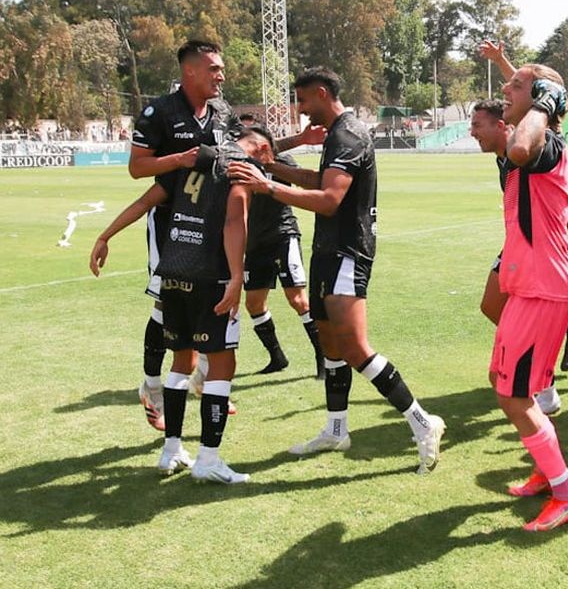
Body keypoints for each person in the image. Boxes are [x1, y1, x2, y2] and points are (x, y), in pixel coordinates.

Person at [229, 67, 445, 473]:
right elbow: (319, 179)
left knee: (355, 347)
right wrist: (271, 167)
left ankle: (422, 422)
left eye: (303, 100)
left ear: (322, 93)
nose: (301, 110)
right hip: (327, 249)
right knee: (330, 344)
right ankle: (336, 429)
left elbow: (329, 199)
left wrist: (268, 187)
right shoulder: (335, 134)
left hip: (349, 250)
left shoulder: (348, 134)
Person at [92, 129, 278, 482]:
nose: (268, 168)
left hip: (173, 272)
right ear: (263, 149)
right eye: (270, 160)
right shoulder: (242, 166)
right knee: (222, 365)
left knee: (182, 362)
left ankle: (171, 450)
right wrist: (236, 277)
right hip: (211, 276)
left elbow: (144, 202)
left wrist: (105, 236)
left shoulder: (196, 157)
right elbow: (234, 219)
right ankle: (208, 459)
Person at [473, 63, 568, 531]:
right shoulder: (534, 141)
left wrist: (544, 100)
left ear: (542, 96)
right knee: (505, 383)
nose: (505, 89)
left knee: (514, 394)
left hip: (543, 287)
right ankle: (547, 470)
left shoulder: (545, 144)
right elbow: (514, 145)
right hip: (529, 285)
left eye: (516, 86)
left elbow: (522, 147)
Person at [478, 43, 568, 375]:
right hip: (554, 208)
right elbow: (526, 90)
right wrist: (501, 61)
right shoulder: (558, 110)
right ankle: (567, 338)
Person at [126, 40, 233, 432]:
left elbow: (244, 148)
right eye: (214, 68)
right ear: (190, 70)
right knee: (165, 305)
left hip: (210, 223)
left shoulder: (222, 111)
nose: (221, 76)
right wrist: (180, 159)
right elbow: (137, 168)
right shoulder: (159, 112)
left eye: (221, 68)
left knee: (210, 297)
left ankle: (204, 378)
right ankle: (152, 387)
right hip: (170, 226)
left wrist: (295, 144)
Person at [472, 98, 563, 416]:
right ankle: (537, 373)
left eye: (477, 125)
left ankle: (544, 385)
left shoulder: (524, 152)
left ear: (501, 126)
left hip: (537, 248)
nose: (472, 132)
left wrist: (566, 233)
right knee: (491, 305)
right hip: (517, 244)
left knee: (518, 317)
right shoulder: (504, 158)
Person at [236, 119, 325, 378]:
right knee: (254, 303)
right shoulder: (237, 163)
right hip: (254, 242)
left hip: (282, 235)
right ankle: (277, 357)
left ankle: (323, 357)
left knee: (298, 300)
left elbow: (305, 183)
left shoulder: (281, 161)